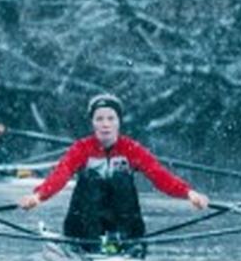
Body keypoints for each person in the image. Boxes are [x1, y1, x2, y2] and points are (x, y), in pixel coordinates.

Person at [17, 94, 209, 251]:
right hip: (83, 225)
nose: (105, 124)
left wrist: (189, 193)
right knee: (92, 180)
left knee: (120, 179)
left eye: (111, 118)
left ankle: (125, 240)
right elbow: (60, 176)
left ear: (118, 122)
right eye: (99, 119)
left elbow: (159, 176)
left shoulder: (131, 149)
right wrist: (38, 196)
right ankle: (90, 243)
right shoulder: (81, 149)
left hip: (123, 225)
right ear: (92, 123)